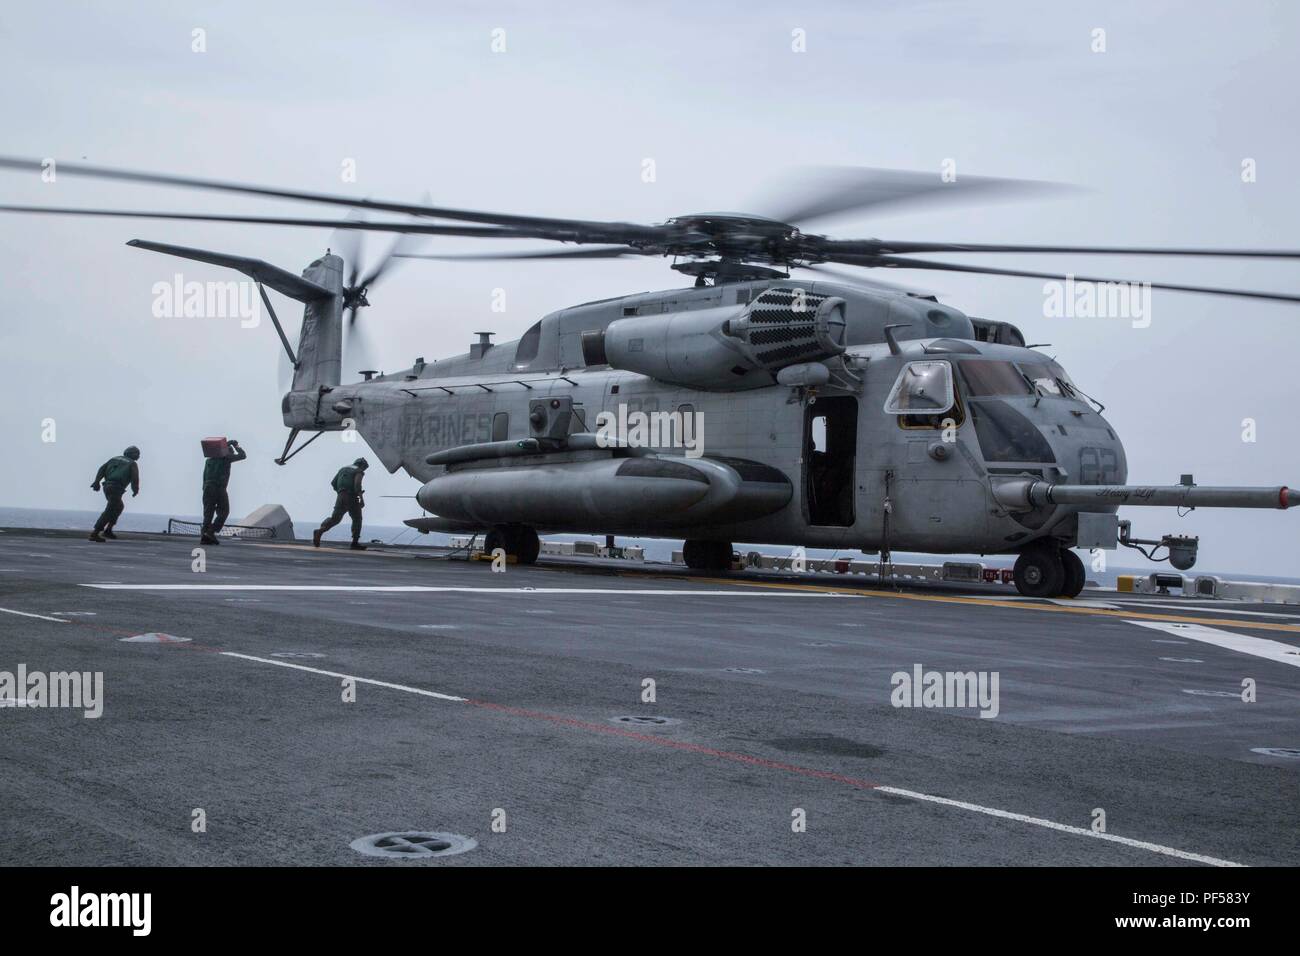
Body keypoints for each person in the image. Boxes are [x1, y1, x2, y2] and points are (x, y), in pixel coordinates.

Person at [313, 457, 369, 550]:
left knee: (335, 519)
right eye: (364, 468)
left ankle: (320, 530)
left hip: (340, 497)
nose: (364, 470)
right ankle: (354, 543)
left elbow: (333, 483)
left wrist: (341, 492)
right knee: (357, 519)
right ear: (362, 465)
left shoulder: (342, 469)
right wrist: (361, 499)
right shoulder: (359, 471)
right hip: (351, 497)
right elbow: (357, 485)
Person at [200, 439, 247, 545]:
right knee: (224, 511)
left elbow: (204, 477)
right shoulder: (226, 458)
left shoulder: (209, 460)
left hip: (207, 488)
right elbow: (243, 455)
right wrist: (236, 446)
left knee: (208, 513)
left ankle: (204, 535)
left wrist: (205, 490)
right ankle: (211, 532)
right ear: (226, 451)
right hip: (219, 488)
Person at [89, 446, 140, 542]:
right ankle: (95, 533)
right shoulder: (132, 464)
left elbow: (101, 469)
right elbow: (135, 478)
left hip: (107, 486)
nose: (138, 456)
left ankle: (108, 530)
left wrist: (96, 482)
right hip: (116, 488)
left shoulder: (113, 459)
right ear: (131, 454)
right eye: (137, 453)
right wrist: (135, 490)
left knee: (119, 506)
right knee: (110, 509)